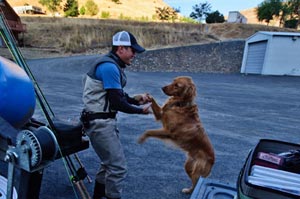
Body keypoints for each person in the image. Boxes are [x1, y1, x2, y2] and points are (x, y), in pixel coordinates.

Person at [81, 30, 151, 199]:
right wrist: (140, 110)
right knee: (118, 168)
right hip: (100, 124)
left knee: (108, 165)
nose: (134, 54)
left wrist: (136, 100)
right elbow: (116, 102)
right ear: (121, 48)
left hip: (100, 121)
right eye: (132, 50)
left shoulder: (111, 65)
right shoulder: (109, 67)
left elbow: (117, 95)